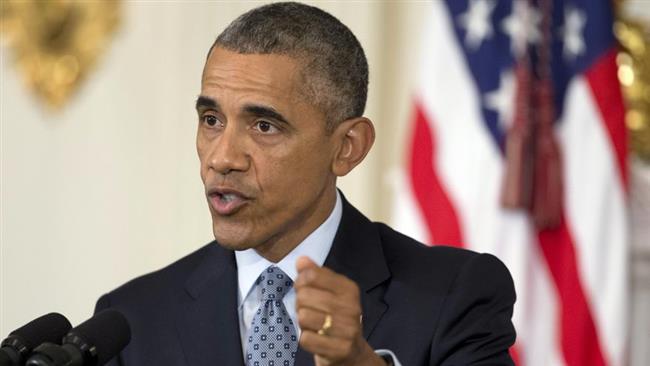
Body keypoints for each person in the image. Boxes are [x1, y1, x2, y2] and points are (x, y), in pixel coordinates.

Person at [95, 2, 516, 365]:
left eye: (263, 125)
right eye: (211, 120)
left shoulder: (453, 296)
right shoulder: (131, 319)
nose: (221, 158)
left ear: (347, 147)